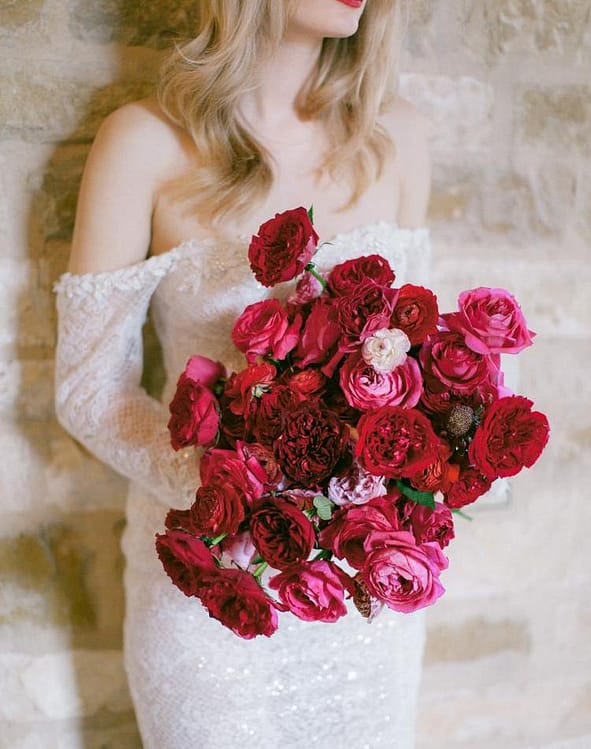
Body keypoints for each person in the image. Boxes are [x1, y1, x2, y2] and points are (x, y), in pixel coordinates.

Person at [54, 1, 432, 747]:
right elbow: (88, 390)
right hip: (211, 597)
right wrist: (243, 494)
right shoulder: (146, 143)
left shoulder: (398, 138)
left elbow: (409, 350)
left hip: (364, 605)